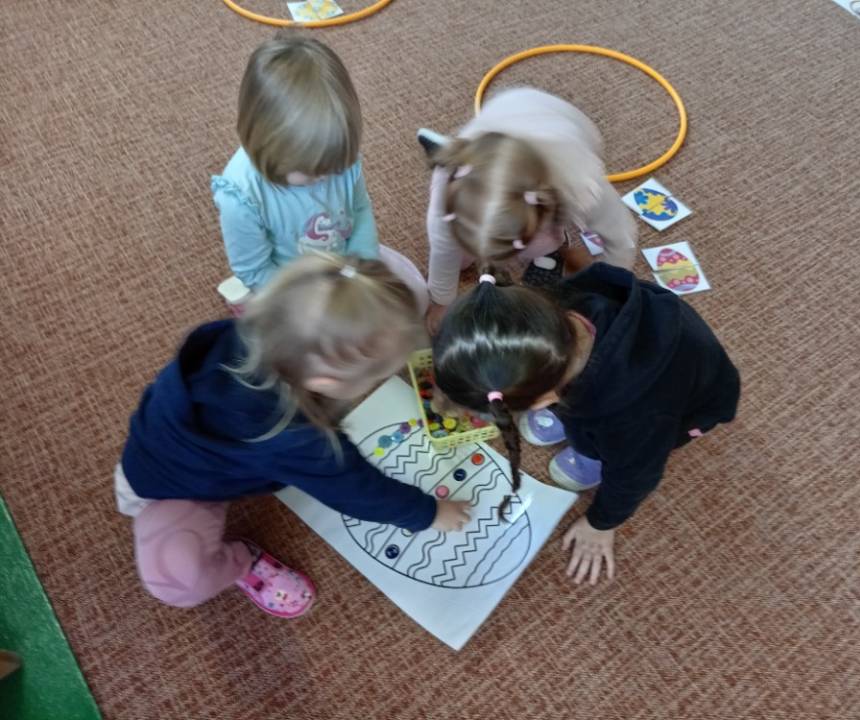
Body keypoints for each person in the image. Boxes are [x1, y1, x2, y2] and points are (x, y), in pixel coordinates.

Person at [116, 254, 470, 616]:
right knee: (179, 581)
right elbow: (358, 491)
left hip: (181, 444)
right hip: (168, 492)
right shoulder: (297, 438)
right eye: (375, 377)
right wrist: (428, 513)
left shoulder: (248, 334)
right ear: (325, 382)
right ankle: (241, 563)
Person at [431, 264, 739, 585]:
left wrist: (601, 524)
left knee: (608, 446)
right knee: (586, 416)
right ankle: (571, 418)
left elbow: (634, 478)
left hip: (689, 405)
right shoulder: (551, 311)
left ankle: (592, 454)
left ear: (543, 399)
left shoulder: (635, 421)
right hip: (623, 366)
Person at [211, 34, 425, 310]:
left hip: (341, 264)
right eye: (311, 171)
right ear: (265, 145)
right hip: (290, 288)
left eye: (334, 166)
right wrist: (311, 300)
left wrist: (361, 265)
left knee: (415, 297)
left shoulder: (337, 158)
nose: (326, 177)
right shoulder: (241, 196)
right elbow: (255, 270)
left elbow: (360, 209)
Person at [421, 87, 638, 332]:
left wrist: (604, 286)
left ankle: (550, 248)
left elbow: (623, 240)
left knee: (545, 255)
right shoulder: (451, 180)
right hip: (505, 114)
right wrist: (441, 301)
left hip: (567, 126)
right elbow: (442, 246)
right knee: (453, 252)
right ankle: (490, 244)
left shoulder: (584, 188)